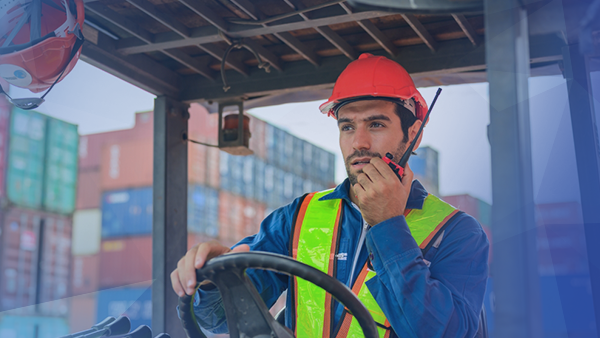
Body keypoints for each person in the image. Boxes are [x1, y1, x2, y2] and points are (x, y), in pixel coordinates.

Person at [171, 53, 489, 337]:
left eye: (376, 124)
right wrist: (214, 281)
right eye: (347, 126)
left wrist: (388, 225)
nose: (359, 142)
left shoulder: (457, 232)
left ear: (412, 136)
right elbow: (217, 320)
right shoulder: (298, 216)